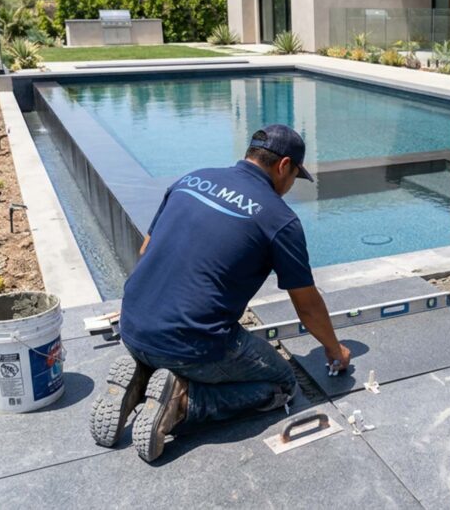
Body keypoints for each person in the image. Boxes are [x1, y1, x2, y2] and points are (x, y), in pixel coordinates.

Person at [89, 124, 351, 462]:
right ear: (284, 165)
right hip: (191, 344)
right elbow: (307, 305)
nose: (288, 188)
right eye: (293, 177)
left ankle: (144, 376)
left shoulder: (191, 179)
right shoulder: (279, 219)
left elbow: (145, 250)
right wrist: (334, 349)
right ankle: (183, 401)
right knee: (283, 386)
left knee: (180, 345)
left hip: (133, 325)